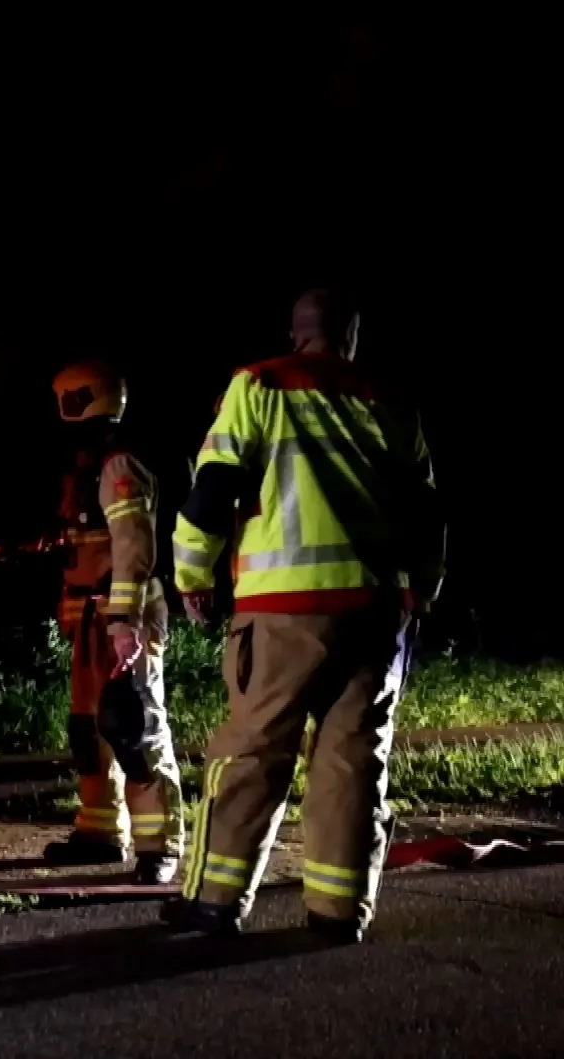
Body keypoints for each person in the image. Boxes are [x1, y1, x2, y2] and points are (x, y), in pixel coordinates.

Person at [166, 289, 445, 943]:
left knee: (253, 754)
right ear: (350, 337)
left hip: (283, 609)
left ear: (297, 335)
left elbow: (213, 489)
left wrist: (190, 572)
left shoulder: (260, 384)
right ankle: (338, 910)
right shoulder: (390, 398)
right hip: (376, 613)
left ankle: (215, 902)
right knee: (353, 763)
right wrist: (422, 595)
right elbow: (427, 513)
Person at [45, 361, 186, 884]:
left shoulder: (120, 463)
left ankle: (159, 847)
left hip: (121, 614)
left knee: (136, 727)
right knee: (90, 728)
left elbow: (133, 545)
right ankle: (100, 832)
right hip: (91, 615)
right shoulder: (89, 463)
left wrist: (124, 620)